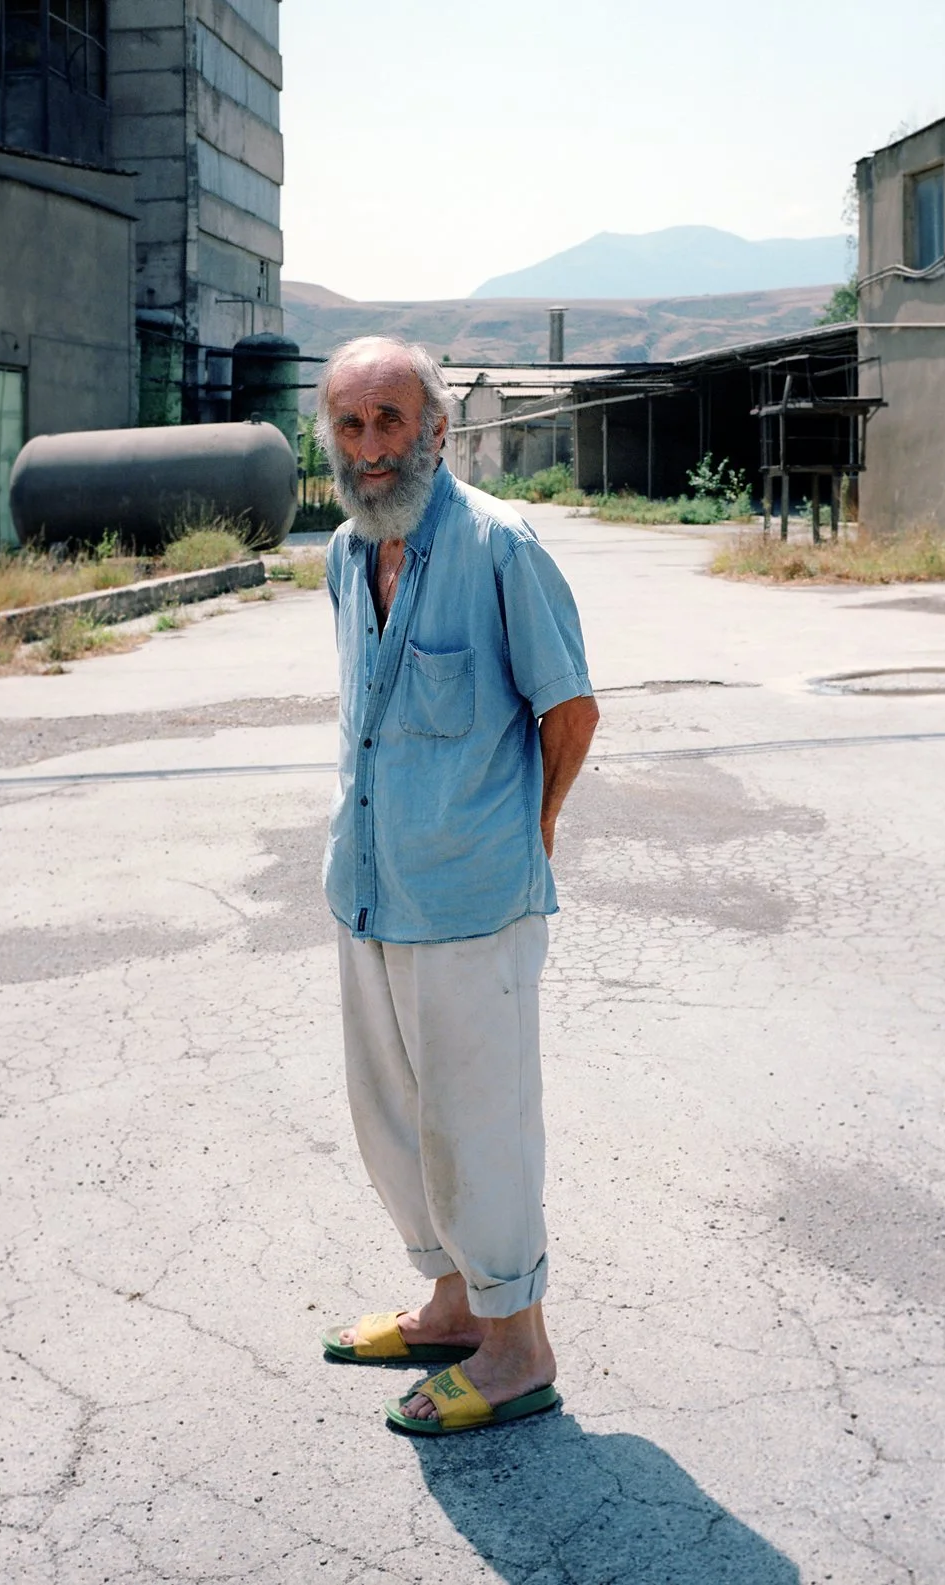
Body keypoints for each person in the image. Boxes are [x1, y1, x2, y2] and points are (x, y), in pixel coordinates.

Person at [315, 335, 599, 1434]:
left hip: (474, 898)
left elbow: (568, 709)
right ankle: (449, 1305)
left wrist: (523, 839)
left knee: (479, 1128)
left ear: (436, 428)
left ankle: (517, 1345)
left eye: (391, 421)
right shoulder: (347, 553)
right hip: (371, 888)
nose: (371, 447)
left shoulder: (498, 546)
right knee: (394, 1119)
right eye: (351, 426)